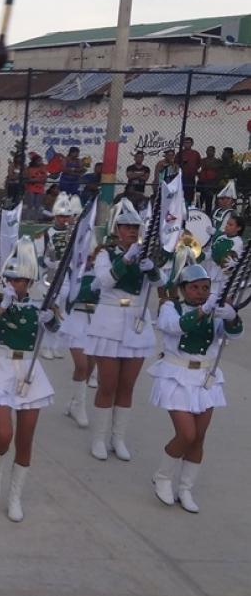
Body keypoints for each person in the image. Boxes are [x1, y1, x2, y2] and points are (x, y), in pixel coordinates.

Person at [149, 264, 240, 513]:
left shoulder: (213, 312)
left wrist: (232, 316)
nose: (200, 292)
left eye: (205, 288)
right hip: (175, 374)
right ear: (183, 289)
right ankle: (163, 476)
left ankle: (185, 488)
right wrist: (204, 309)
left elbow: (233, 335)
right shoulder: (170, 307)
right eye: (195, 287)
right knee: (186, 434)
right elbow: (177, 326)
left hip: (204, 377)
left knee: (199, 438)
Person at [0, 238, 57, 522]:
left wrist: (50, 318)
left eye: (20, 280)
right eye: (10, 278)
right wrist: (2, 309)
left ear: (30, 281)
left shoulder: (40, 303)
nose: (14, 284)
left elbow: (57, 331)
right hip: (0, 365)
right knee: (4, 434)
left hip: (29, 369)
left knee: (25, 440)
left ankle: (15, 498)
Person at [87, 199, 159, 461]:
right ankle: (98, 438)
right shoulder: (105, 254)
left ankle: (118, 439)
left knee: (127, 386)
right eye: (126, 227)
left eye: (134, 227)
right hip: (110, 319)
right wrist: (126, 260)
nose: (131, 231)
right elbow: (103, 282)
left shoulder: (145, 253)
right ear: (116, 229)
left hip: (136, 320)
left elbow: (160, 283)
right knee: (107, 384)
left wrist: (152, 269)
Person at [60, 247, 101, 429]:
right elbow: (68, 295)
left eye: (93, 257)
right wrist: (91, 287)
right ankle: (80, 407)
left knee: (90, 367)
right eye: (87, 256)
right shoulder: (71, 272)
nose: (90, 260)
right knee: (81, 365)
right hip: (76, 319)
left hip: (96, 320)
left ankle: (74, 402)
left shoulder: (103, 271)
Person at [35, 192, 78, 359]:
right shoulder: (44, 234)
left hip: (68, 276)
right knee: (49, 310)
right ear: (55, 216)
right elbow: (38, 257)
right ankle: (45, 345)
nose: (64, 220)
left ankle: (56, 345)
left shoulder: (74, 235)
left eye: (67, 217)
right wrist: (48, 262)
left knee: (63, 311)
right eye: (61, 217)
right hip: (50, 277)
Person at [177, 136, 201, 204]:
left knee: (190, 193)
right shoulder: (180, 153)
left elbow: (199, 164)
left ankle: (189, 206)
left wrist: (196, 172)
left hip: (191, 177)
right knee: (181, 193)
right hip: (182, 177)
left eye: (189, 143)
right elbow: (176, 164)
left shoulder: (195, 153)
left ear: (192, 144)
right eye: (185, 143)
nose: (187, 144)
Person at [24, 152, 47, 220]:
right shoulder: (30, 169)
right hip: (31, 188)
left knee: (38, 205)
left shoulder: (43, 168)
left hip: (40, 188)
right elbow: (28, 178)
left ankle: (36, 219)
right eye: (38, 161)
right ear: (34, 161)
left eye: (41, 161)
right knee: (30, 205)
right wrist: (37, 179)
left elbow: (44, 178)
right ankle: (28, 219)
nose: (40, 162)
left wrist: (35, 179)